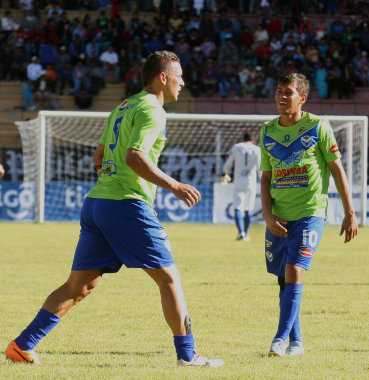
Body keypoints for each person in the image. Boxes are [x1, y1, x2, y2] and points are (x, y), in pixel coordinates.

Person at [4, 51, 224, 368]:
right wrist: (172, 185)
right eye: (179, 75)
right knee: (169, 278)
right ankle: (188, 356)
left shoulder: (123, 106)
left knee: (80, 286)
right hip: (125, 204)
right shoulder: (153, 110)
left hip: (98, 203)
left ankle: (22, 345)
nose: (183, 82)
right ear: (163, 77)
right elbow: (134, 155)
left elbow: (99, 156)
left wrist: (116, 182)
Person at [260, 73, 358, 357]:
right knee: (284, 280)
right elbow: (266, 178)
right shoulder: (267, 131)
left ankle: (279, 339)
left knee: (294, 270)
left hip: (309, 212)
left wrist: (350, 212)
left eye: (288, 92)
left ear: (302, 98)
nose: (281, 97)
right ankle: (297, 342)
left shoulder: (317, 127)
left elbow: (337, 170)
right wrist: (267, 214)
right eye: (278, 91)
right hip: (279, 215)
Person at [221, 132, 261, 241]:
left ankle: (240, 232)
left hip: (238, 182)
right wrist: (263, 181)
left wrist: (224, 173)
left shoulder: (236, 147)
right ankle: (246, 234)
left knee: (238, 207)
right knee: (249, 209)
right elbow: (259, 168)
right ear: (252, 140)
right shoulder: (256, 149)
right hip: (251, 183)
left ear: (243, 139)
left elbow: (228, 163)